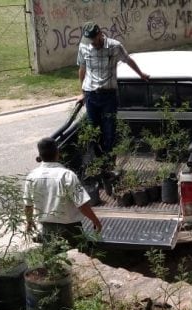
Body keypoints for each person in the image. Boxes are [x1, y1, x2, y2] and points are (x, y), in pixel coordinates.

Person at [77, 21, 149, 153]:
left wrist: (140, 74)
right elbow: (82, 69)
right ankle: (97, 159)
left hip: (108, 95)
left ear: (99, 34)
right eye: (89, 39)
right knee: (93, 129)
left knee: (109, 129)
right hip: (91, 94)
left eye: (93, 39)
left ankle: (109, 159)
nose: (91, 42)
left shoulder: (114, 46)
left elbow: (128, 60)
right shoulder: (83, 47)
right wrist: (82, 93)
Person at [24, 137, 102, 246]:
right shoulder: (67, 175)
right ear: (57, 153)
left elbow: (28, 205)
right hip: (71, 228)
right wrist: (95, 221)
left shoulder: (31, 177)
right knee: (78, 256)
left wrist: (29, 222)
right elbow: (81, 204)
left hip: (47, 228)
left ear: (40, 156)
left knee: (52, 259)